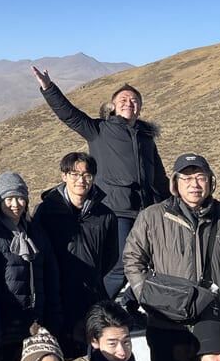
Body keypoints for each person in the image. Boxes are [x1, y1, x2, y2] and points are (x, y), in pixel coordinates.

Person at [122, 153, 220, 361]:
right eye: (186, 178)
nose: (194, 184)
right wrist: (149, 296)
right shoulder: (152, 217)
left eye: (200, 177)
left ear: (210, 182)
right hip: (167, 325)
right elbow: (133, 260)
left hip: (213, 325)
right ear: (175, 183)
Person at [31, 68, 167, 281]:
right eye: (123, 99)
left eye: (134, 100)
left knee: (152, 262)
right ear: (113, 106)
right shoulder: (99, 129)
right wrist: (48, 87)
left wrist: (172, 204)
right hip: (115, 210)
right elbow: (69, 114)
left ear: (140, 108)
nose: (128, 103)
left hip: (146, 211)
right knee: (121, 266)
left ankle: (132, 308)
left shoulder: (146, 139)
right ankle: (98, 309)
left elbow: (159, 178)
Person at [30, 153, 123, 359]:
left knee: (91, 358)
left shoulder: (105, 215)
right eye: (74, 174)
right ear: (64, 176)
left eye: (87, 175)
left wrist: (96, 284)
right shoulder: (46, 211)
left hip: (90, 299)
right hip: (56, 298)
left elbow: (111, 257)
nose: (81, 180)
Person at [0, 172, 62, 361]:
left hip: (35, 324)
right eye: (9, 198)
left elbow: (51, 278)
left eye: (20, 197)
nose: (16, 204)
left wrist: (51, 320)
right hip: (5, 328)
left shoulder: (36, 233)